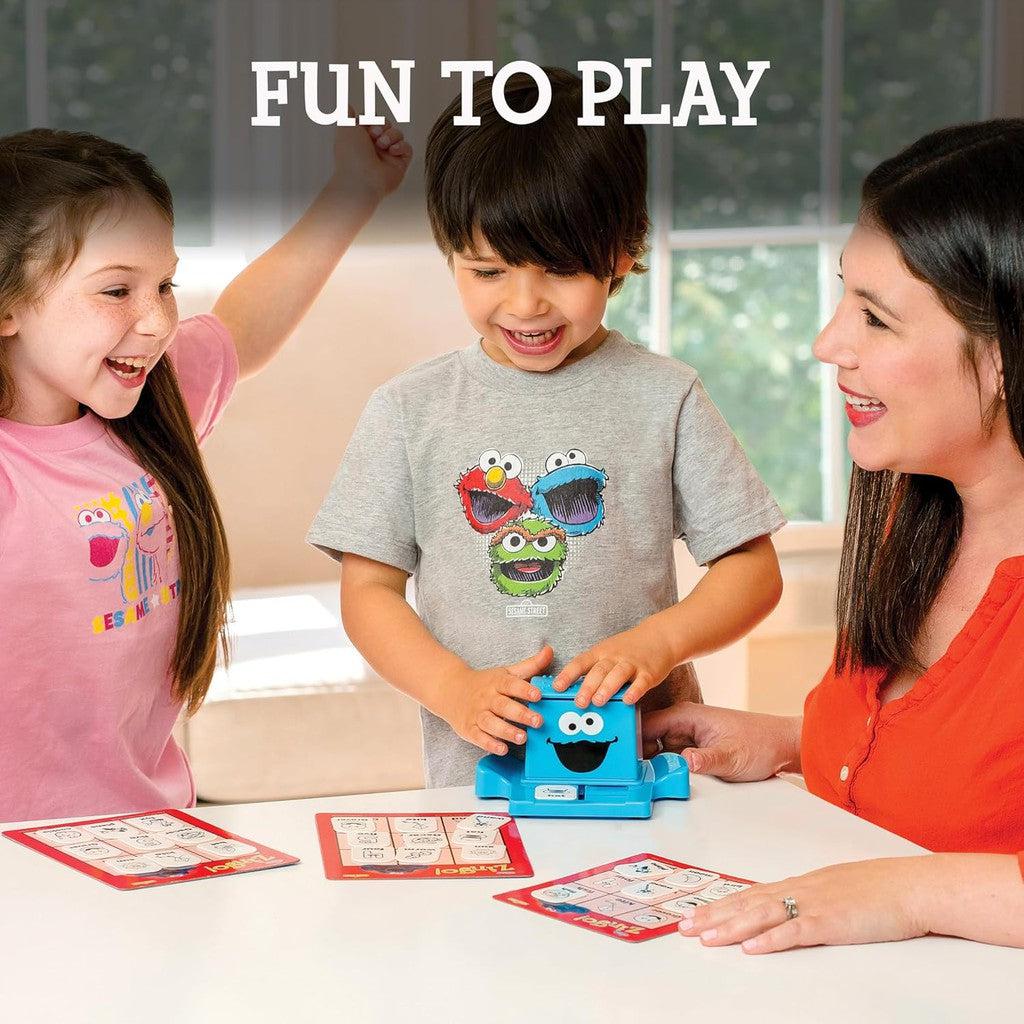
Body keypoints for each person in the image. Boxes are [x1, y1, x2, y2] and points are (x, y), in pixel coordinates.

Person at [307, 68, 785, 790]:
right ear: (449, 255)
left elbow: (752, 570)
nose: (525, 304)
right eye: (488, 270)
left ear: (623, 252)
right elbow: (368, 590)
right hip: (479, 787)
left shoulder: (666, 395)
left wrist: (659, 642)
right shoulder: (410, 408)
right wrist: (451, 689)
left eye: (559, 269)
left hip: (646, 774)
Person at [644, 119, 1024, 953]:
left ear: (1007, 358)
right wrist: (789, 743)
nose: (828, 345)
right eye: (843, 296)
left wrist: (909, 891)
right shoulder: (914, 511)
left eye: (877, 320)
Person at [0, 120, 411, 822]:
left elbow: (243, 326)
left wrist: (353, 190)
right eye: (115, 290)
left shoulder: (152, 408)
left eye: (164, 284)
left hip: (153, 832)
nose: (157, 320)